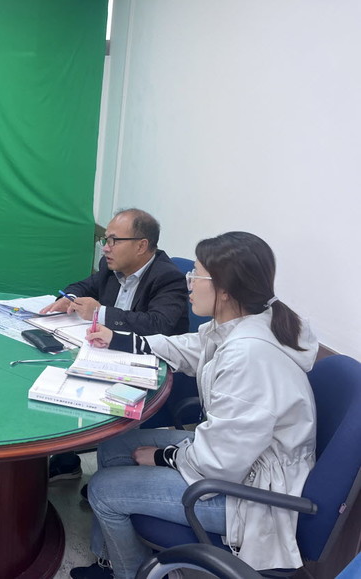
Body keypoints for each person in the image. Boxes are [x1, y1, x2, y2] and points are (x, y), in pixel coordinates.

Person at [70, 231, 318, 579]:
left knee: (103, 490)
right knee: (115, 446)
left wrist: (163, 456)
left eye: (196, 275)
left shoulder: (249, 356)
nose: (189, 283)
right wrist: (123, 340)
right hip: (239, 457)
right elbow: (190, 348)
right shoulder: (242, 324)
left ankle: (128, 574)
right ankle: (111, 560)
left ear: (225, 289)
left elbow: (220, 464)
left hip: (250, 495)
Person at [41, 208, 189, 481]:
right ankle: (66, 458)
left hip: (149, 364)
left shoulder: (168, 277)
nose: (106, 248)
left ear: (141, 246)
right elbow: (84, 286)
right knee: (56, 375)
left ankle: (114, 474)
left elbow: (159, 325)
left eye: (113, 241)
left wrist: (101, 313)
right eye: (105, 240)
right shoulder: (110, 267)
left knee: (81, 385)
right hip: (108, 351)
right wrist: (69, 297)